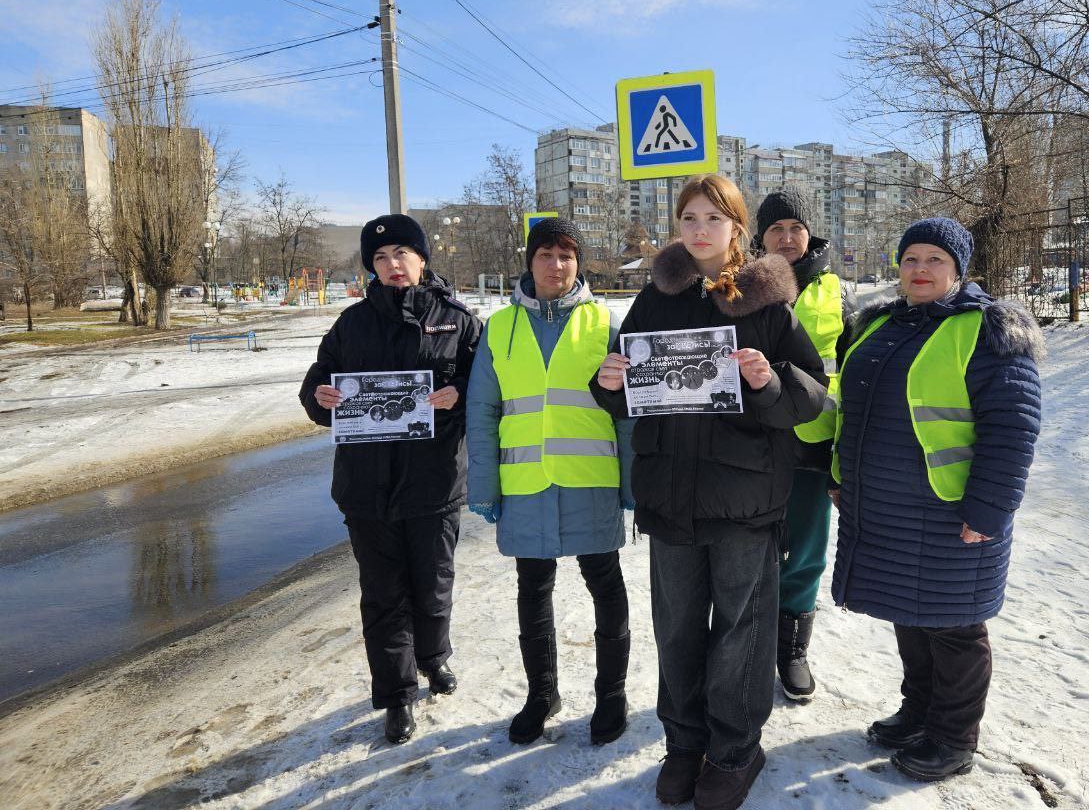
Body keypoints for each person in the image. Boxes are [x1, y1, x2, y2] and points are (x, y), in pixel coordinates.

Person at [592, 174, 827, 810]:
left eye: (714, 218)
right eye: (690, 218)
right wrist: (607, 383)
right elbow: (625, 390)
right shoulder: (654, 299)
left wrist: (770, 379)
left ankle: (734, 750)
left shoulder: (766, 303)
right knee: (676, 631)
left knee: (740, 633)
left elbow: (811, 396)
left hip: (744, 502)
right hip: (669, 498)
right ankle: (684, 744)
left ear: (737, 229)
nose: (700, 230)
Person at [829, 217, 1044, 782]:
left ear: (958, 269)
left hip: (953, 513)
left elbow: (1013, 427)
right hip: (888, 508)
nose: (920, 269)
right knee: (911, 614)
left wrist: (989, 510)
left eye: (935, 260)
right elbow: (853, 412)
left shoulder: (987, 330)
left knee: (954, 628)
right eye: (911, 259)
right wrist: (840, 475)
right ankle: (919, 711)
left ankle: (952, 738)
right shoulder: (881, 324)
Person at [299, 213, 481, 746]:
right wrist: (321, 399)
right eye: (380, 258)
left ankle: (434, 657)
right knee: (383, 595)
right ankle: (397, 695)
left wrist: (460, 393)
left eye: (402, 253)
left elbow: (487, 386)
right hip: (367, 488)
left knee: (433, 584)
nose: (392, 264)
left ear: (422, 259)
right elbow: (317, 384)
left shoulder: (459, 322)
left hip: (434, 483)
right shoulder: (351, 324)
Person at [466, 218, 635, 747]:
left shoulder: (604, 323)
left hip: (590, 480)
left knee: (605, 585)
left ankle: (612, 694)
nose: (556, 265)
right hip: (526, 484)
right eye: (546, 254)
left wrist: (633, 485)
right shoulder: (500, 328)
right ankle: (542, 694)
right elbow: (482, 411)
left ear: (578, 263)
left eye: (566, 255)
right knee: (532, 589)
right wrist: (484, 487)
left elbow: (627, 413)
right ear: (530, 261)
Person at [752, 191, 858, 702]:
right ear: (760, 237)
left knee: (806, 552)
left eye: (796, 227)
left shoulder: (838, 294)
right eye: (776, 229)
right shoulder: (739, 286)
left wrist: (845, 460)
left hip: (813, 447)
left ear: (809, 233)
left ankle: (792, 648)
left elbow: (855, 380)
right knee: (747, 550)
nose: (788, 237)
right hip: (749, 446)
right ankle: (750, 644)